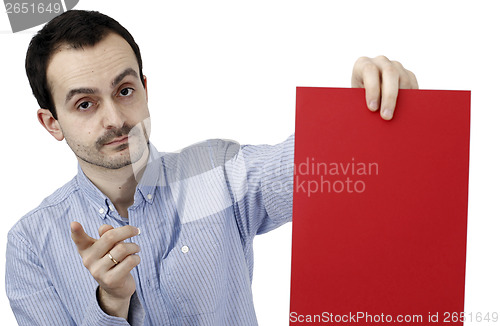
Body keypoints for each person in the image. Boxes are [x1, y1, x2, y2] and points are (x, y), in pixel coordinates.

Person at [5, 9, 418, 326]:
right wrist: (112, 304)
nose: (115, 118)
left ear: (146, 91)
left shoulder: (219, 175)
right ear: (52, 123)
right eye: (85, 103)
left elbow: (334, 164)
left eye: (124, 90)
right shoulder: (30, 244)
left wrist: (366, 110)